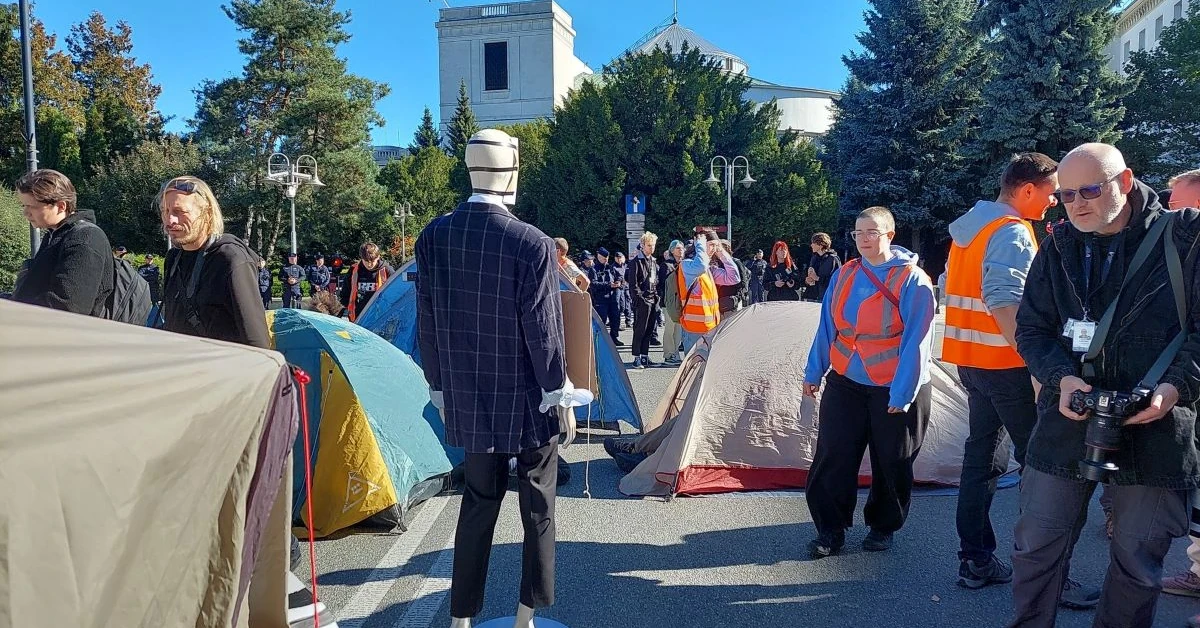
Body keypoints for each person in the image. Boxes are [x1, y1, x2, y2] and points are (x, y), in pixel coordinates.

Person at [1010, 143, 1200, 628]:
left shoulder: (1186, 239)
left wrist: (1176, 388)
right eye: (1066, 195)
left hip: (1158, 424)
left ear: (1125, 181)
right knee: (1036, 548)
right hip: (1070, 413)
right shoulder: (1057, 243)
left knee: (1138, 564)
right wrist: (1062, 377)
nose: (1077, 203)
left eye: (1089, 191)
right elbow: (1032, 330)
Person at [417, 128, 577, 628]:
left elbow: (429, 321)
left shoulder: (432, 236)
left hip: (468, 393)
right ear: (511, 171)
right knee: (538, 505)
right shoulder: (531, 242)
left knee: (477, 503)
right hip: (528, 397)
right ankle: (525, 617)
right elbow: (543, 332)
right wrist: (560, 394)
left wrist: (438, 386)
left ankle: (461, 619)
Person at [941, 153, 1085, 597]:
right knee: (1044, 468)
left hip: (973, 362)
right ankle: (1046, 578)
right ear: (1026, 190)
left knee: (981, 460)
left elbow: (954, 287)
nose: (1055, 203)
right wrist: (1039, 365)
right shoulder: (1012, 233)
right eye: (1051, 192)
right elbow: (1003, 299)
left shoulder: (971, 229)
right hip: (1010, 367)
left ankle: (976, 560)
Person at [802, 206, 936, 559]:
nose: (863, 239)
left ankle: (882, 526)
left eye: (872, 232)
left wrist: (903, 392)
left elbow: (918, 342)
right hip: (846, 380)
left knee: (892, 460)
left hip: (895, 386)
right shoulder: (845, 273)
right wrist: (813, 371)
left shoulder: (913, 279)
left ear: (889, 235)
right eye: (859, 232)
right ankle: (830, 530)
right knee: (833, 454)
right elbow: (827, 328)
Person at [159, 175, 270, 349]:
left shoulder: (231, 259)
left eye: (179, 211)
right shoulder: (173, 259)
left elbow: (257, 343)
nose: (170, 220)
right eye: (165, 211)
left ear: (207, 212)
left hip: (222, 373)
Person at [12, 169, 114, 317]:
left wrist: (15, 311)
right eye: (24, 206)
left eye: (32, 206)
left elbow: (69, 306)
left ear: (61, 206)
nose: (25, 213)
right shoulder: (55, 235)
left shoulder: (85, 238)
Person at [677, 230, 740, 354]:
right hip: (694, 328)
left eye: (716, 246)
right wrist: (700, 245)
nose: (714, 249)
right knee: (694, 370)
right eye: (711, 245)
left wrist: (721, 252)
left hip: (710, 327)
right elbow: (700, 266)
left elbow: (734, 277)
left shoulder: (710, 269)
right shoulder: (687, 265)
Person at [626, 232, 659, 369]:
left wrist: (657, 296)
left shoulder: (653, 261)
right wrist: (640, 299)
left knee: (649, 329)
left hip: (653, 298)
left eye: (653, 245)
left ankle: (645, 355)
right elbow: (633, 284)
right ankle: (636, 357)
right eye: (649, 245)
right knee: (640, 329)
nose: (651, 248)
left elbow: (655, 280)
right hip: (642, 300)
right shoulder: (636, 262)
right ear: (643, 245)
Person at [340, 242, 393, 323]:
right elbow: (345, 292)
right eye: (366, 261)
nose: (369, 264)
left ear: (378, 257)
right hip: (357, 318)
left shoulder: (387, 270)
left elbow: (396, 292)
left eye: (372, 261)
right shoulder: (354, 270)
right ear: (361, 258)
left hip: (380, 319)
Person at [587, 248, 621, 345]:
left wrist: (618, 281)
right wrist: (608, 284)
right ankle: (601, 340)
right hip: (601, 300)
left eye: (607, 257)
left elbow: (619, 276)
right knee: (602, 322)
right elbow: (593, 284)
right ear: (599, 256)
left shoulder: (610, 267)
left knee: (615, 319)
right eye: (604, 257)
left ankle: (614, 338)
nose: (606, 259)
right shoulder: (593, 269)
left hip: (612, 298)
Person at [659, 240, 685, 363]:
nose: (681, 250)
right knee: (670, 328)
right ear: (672, 250)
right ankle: (669, 354)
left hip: (681, 302)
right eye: (678, 248)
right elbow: (662, 285)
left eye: (682, 248)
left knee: (678, 330)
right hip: (669, 302)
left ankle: (675, 352)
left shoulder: (684, 264)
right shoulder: (666, 265)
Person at [805, 232, 842, 302]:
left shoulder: (833, 259)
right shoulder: (814, 258)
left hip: (827, 298)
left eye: (813, 243)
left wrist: (818, 278)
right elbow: (811, 277)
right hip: (812, 296)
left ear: (820, 245)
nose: (811, 245)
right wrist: (808, 281)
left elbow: (837, 280)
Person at [612, 250, 632, 329]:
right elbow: (612, 278)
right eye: (618, 258)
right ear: (615, 259)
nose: (619, 259)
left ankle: (628, 320)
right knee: (618, 305)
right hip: (618, 288)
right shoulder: (613, 267)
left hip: (626, 287)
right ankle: (617, 322)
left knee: (627, 305)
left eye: (621, 258)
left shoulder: (626, 266)